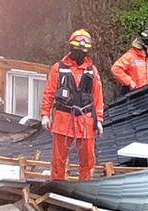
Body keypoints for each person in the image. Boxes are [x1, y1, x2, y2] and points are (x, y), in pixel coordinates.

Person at [41, 29, 104, 181]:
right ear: (71, 48)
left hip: (86, 119)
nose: (80, 53)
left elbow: (97, 98)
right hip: (63, 118)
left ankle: (85, 187)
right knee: (58, 159)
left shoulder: (92, 71)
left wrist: (99, 120)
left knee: (87, 160)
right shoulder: (58, 68)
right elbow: (49, 92)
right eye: (77, 49)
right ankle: (57, 185)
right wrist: (45, 115)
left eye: (83, 49)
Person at [111, 27, 148, 93]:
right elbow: (116, 69)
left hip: (146, 95)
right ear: (145, 45)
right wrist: (129, 82)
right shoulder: (130, 56)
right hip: (132, 94)